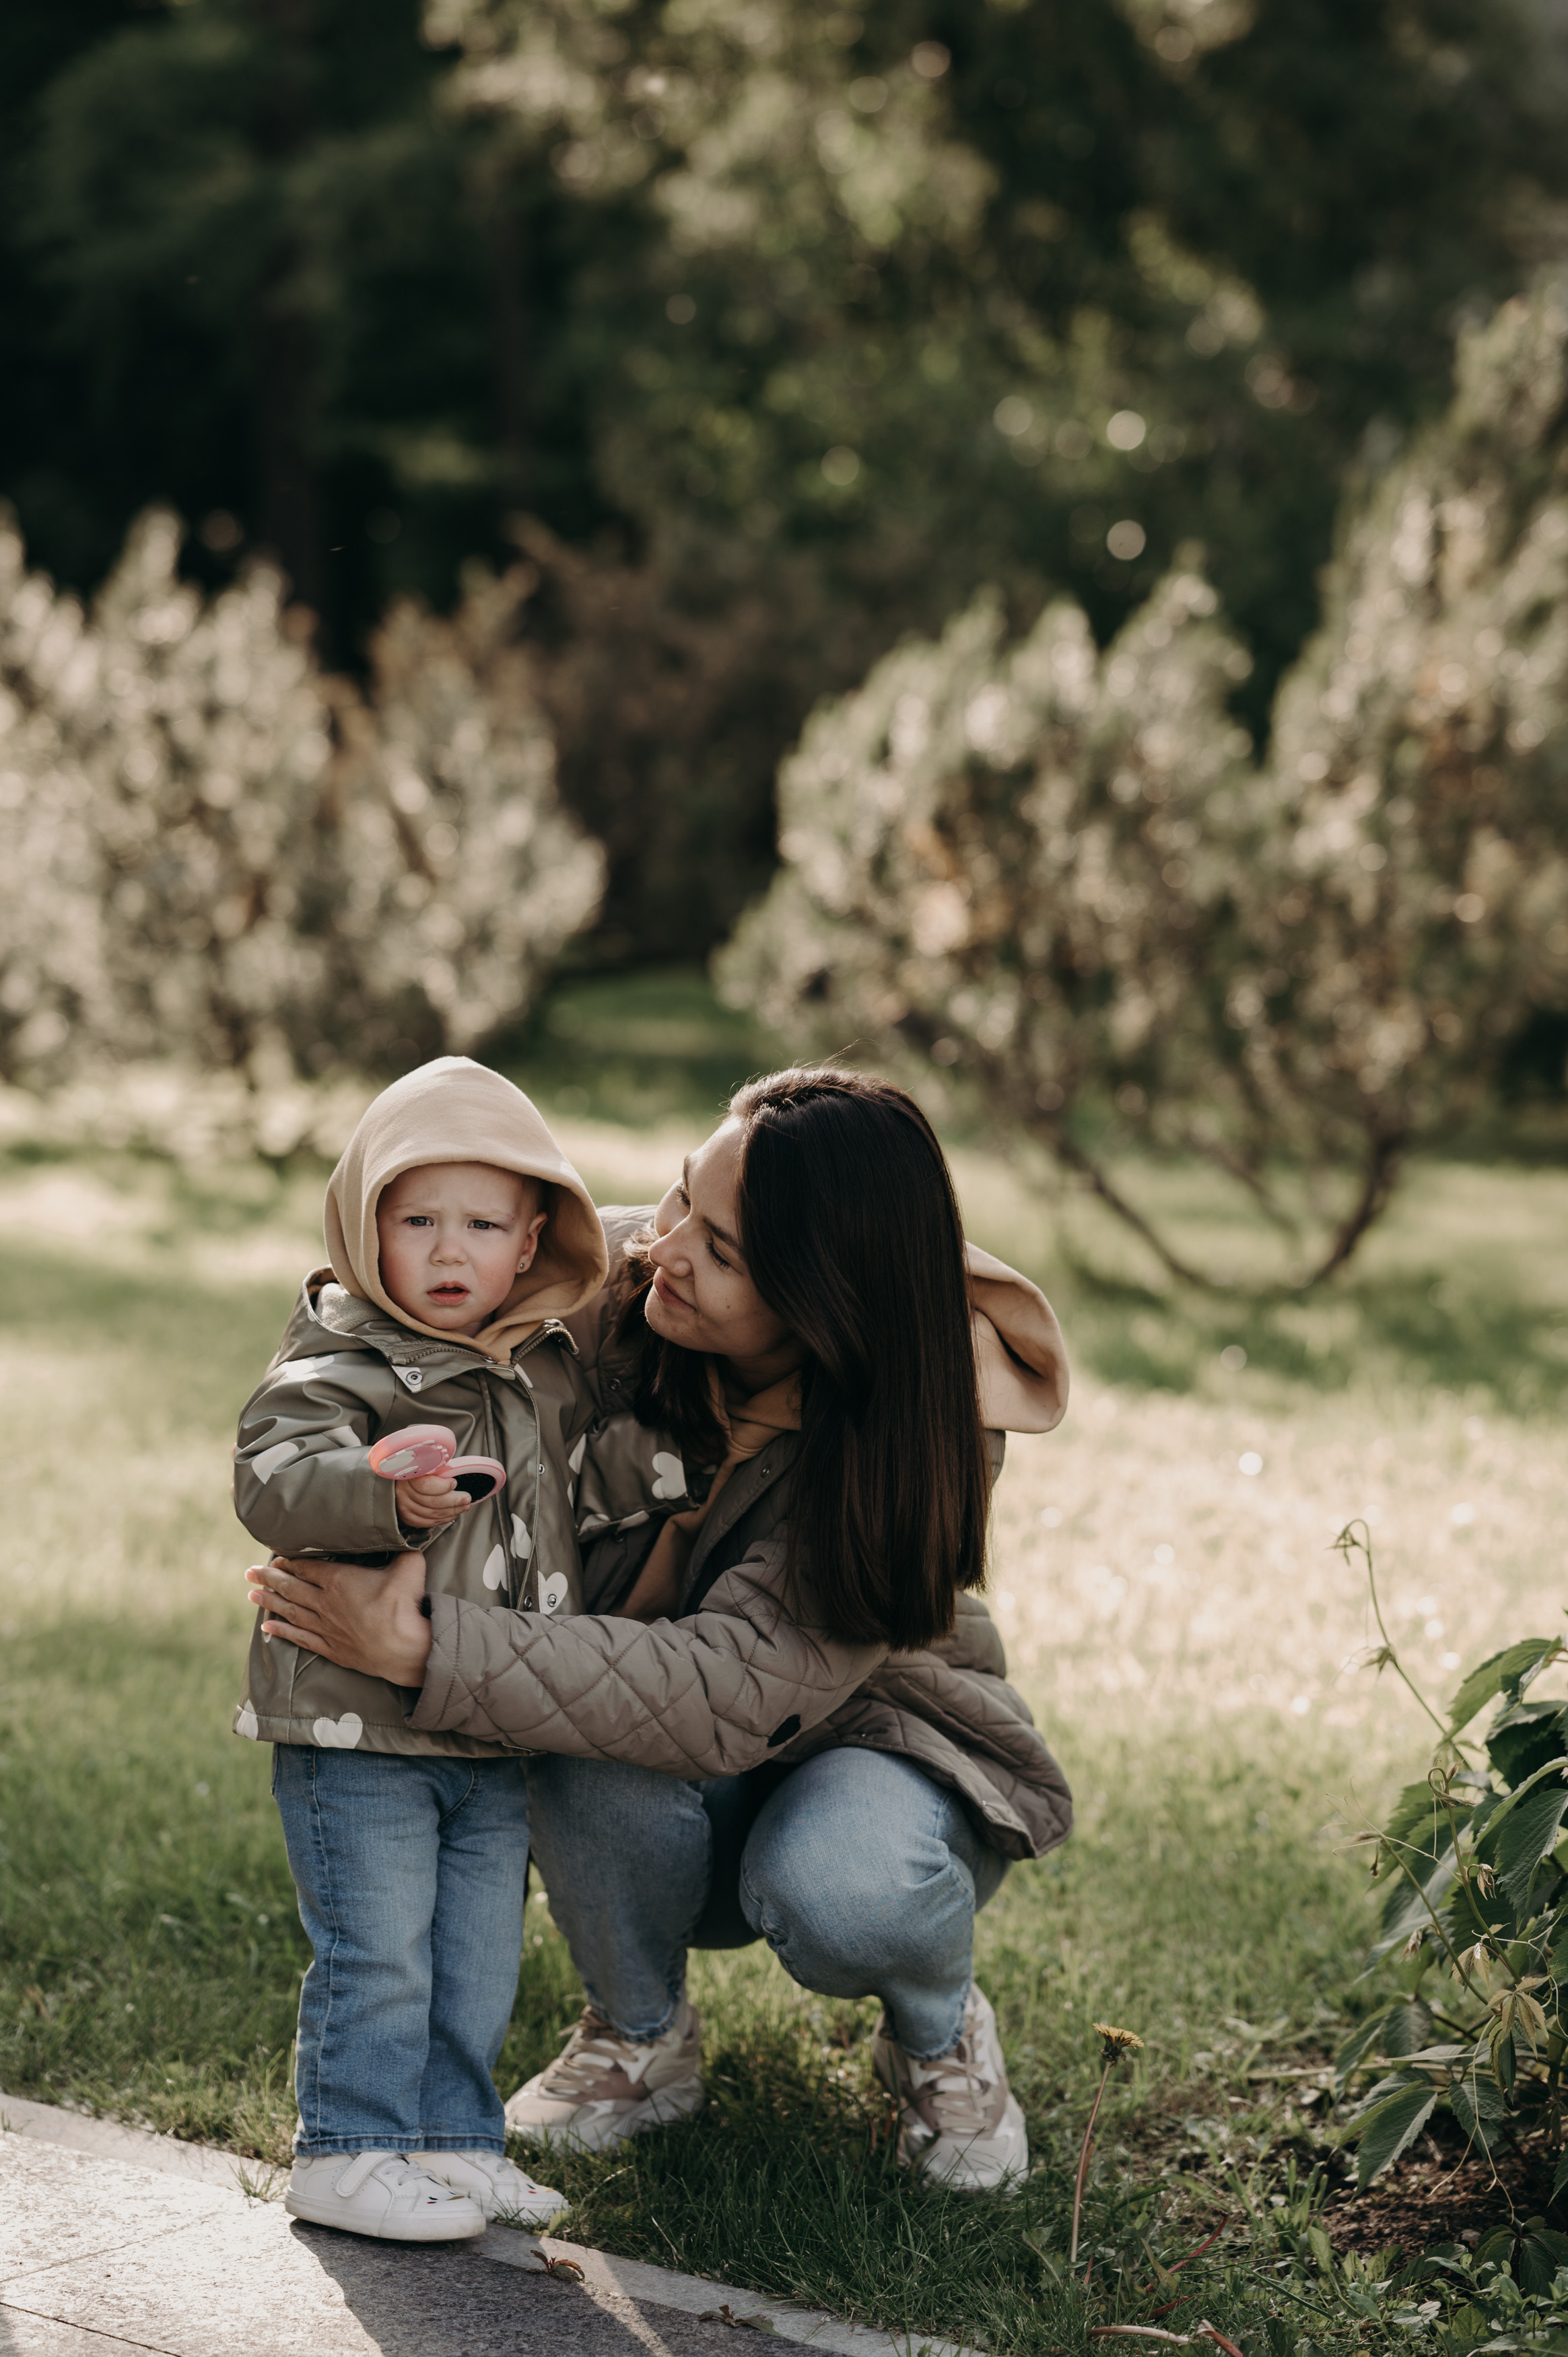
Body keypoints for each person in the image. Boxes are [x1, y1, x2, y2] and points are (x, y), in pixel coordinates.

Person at [248, 1067, 1072, 2194]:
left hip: (872, 1746)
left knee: (844, 1882)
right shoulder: (582, 1289)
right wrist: (351, 1505)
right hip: (653, 1755)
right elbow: (363, 1352)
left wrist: (428, 1647)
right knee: (577, 1729)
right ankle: (639, 2035)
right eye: (684, 1195)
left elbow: (731, 1686)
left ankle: (939, 2034)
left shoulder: (926, 1410)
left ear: (821, 1302)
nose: (664, 1246)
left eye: (720, 1250)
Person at [232, 1055, 613, 2241]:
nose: (451, 1253)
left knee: (476, 1954)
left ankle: (452, 2137)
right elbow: (272, 1477)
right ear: (366, 1226)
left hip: (488, 1724)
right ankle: (346, 2150)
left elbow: (589, 1482)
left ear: (530, 1239)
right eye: (418, 1222)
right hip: (358, 1728)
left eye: (482, 1226)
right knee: (380, 1948)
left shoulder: (539, 1368)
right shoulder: (340, 1358)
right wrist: (380, 1492)